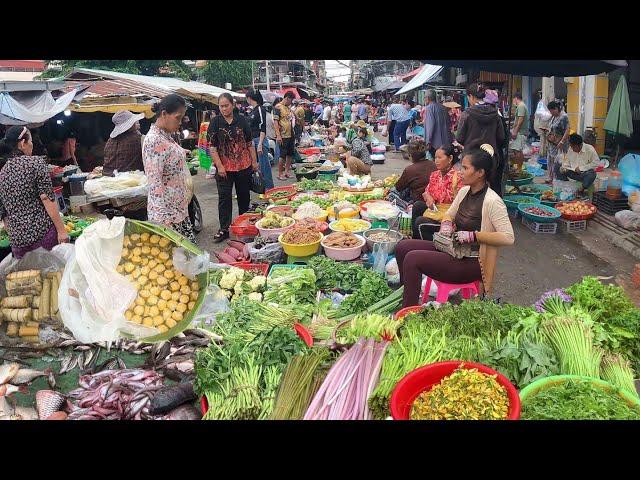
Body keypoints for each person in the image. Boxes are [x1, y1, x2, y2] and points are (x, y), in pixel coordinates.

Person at [396, 145, 514, 307]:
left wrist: (473, 236)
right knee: (402, 247)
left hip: (473, 261)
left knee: (412, 259)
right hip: (454, 248)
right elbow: (449, 214)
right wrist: (445, 224)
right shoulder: (465, 191)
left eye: (465, 168)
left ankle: (407, 312)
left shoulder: (493, 201)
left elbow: (508, 237)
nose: (461, 172)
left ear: (480, 173)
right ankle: (405, 294)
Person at [0, 126, 69, 259]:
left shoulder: (2, 172)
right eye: (30, 140)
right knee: (51, 274)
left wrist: (16, 237)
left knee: (29, 277)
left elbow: (3, 212)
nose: (32, 144)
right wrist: (61, 230)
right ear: (22, 143)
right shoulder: (36, 163)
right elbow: (47, 198)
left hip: (17, 241)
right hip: (42, 235)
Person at [143, 94, 196, 243]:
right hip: (167, 217)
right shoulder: (153, 140)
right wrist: (164, 223)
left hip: (178, 211)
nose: (180, 123)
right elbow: (155, 183)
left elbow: (167, 154)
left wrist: (181, 153)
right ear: (164, 114)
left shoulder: (165, 135)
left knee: (189, 261)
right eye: (178, 118)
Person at [207, 93, 259, 243]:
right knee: (224, 199)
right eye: (221, 106)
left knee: (244, 197)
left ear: (233, 104)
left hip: (243, 166)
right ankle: (224, 228)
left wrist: (254, 162)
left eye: (226, 105)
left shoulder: (242, 120)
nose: (224, 109)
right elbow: (212, 147)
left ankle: (244, 226)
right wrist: (220, 166)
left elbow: (249, 143)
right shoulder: (215, 123)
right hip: (224, 169)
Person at [411, 144, 462, 240]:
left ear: (450, 158)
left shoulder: (458, 178)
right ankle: (415, 239)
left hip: (448, 216)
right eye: (435, 158)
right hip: (436, 210)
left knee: (420, 221)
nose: (436, 161)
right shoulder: (435, 175)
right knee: (417, 205)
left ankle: (427, 244)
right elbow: (427, 191)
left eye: (439, 157)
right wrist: (428, 197)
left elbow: (460, 204)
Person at [456, 83, 505, 153]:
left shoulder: (466, 114)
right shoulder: (495, 114)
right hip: (490, 155)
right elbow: (501, 137)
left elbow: (459, 138)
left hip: (471, 156)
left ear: (471, 96)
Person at [246, 89, 274, 191]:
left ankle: (269, 188)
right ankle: (262, 188)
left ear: (249, 98)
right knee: (258, 166)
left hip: (259, 140)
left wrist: (260, 144)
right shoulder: (253, 110)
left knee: (264, 166)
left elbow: (263, 127)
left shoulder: (260, 109)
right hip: (254, 141)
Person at [392, 138, 437, 203]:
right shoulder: (434, 164)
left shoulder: (410, 170)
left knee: (392, 193)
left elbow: (398, 187)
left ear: (410, 156)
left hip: (418, 201)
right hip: (433, 199)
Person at [103, 110, 145, 176]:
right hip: (129, 179)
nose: (137, 122)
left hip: (108, 177)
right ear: (131, 125)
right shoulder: (138, 139)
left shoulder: (110, 141)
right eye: (135, 121)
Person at [542, 100, 570, 183]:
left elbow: (567, 130)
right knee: (550, 160)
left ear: (556, 109)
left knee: (558, 161)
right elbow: (553, 128)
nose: (551, 113)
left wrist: (562, 141)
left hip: (560, 143)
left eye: (551, 111)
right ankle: (551, 177)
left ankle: (557, 178)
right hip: (552, 143)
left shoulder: (564, 116)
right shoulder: (554, 117)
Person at [273, 91, 296, 181]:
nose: (291, 102)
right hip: (283, 135)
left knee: (290, 153)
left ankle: (286, 172)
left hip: (291, 133)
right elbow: (275, 122)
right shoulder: (278, 107)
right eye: (291, 100)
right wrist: (278, 135)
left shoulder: (288, 108)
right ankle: (280, 173)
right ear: (287, 98)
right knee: (282, 155)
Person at [423, 89, 452, 155]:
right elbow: (449, 123)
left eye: (424, 97)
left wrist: (428, 142)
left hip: (435, 144)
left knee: (436, 162)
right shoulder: (443, 107)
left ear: (427, 98)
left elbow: (430, 126)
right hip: (446, 141)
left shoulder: (429, 108)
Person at [509, 93, 529, 171]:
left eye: (513, 99)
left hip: (520, 133)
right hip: (520, 132)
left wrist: (515, 132)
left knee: (517, 151)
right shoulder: (521, 106)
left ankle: (519, 169)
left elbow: (520, 120)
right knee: (516, 150)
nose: (513, 101)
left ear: (516, 98)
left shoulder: (521, 106)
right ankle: (518, 168)